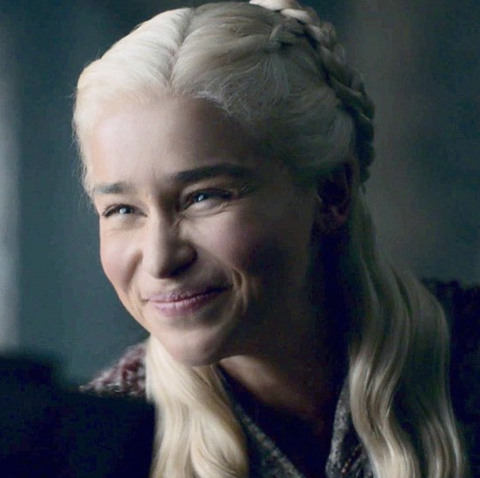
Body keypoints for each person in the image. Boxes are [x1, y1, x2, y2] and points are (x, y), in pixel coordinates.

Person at [73, 0, 472, 476]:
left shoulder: (468, 357)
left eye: (204, 197)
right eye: (122, 209)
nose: (161, 259)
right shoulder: (94, 445)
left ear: (332, 193)